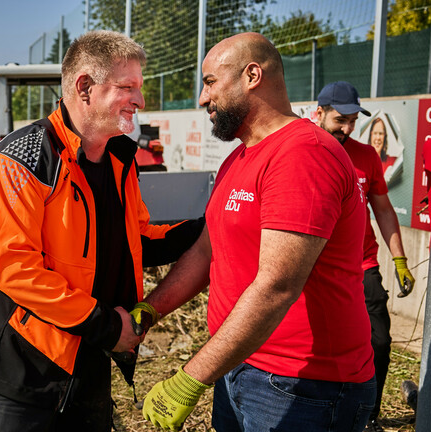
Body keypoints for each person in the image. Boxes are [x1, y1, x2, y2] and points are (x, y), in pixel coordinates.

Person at [0, 30, 203, 432]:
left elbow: (135, 240)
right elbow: (16, 271)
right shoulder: (18, 160)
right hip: (19, 364)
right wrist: (108, 327)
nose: (139, 100)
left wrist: (209, 228)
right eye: (127, 87)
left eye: (140, 88)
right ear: (84, 86)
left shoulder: (121, 158)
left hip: (86, 353)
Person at [138, 33, 376, 432]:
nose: (201, 97)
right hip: (239, 364)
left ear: (252, 75)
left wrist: (190, 377)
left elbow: (276, 286)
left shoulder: (303, 155)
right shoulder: (241, 156)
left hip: (303, 386)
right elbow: (204, 252)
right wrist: (149, 312)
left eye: (211, 81)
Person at [314, 80, 416, 432]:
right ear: (319, 113)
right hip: (312, 270)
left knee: (379, 342)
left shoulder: (366, 157)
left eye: (353, 120)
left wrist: (400, 260)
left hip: (362, 267)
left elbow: (384, 210)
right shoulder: (304, 151)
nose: (347, 128)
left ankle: (367, 418)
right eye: (340, 119)